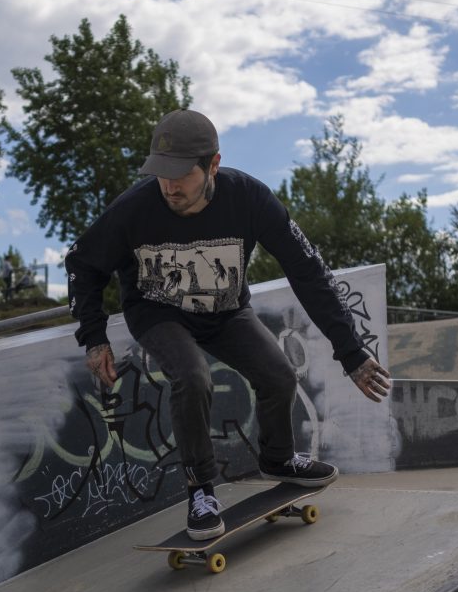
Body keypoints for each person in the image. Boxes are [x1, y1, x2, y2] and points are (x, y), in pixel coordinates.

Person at [65, 109, 391, 541]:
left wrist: (350, 352)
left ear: (213, 164)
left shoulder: (250, 200)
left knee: (278, 375)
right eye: (161, 174)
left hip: (226, 313)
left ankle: (277, 458)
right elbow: (82, 263)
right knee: (192, 377)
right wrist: (94, 338)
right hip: (158, 313)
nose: (169, 186)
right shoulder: (134, 209)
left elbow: (307, 271)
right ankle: (201, 492)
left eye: (181, 175)